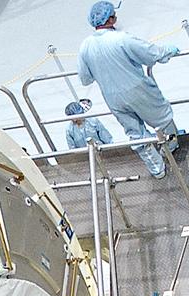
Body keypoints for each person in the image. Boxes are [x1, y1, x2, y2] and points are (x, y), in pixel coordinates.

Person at [77, 2, 182, 178]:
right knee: (162, 119)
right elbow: (150, 54)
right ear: (110, 19)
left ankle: (157, 170)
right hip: (139, 91)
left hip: (113, 98)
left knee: (136, 134)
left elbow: (85, 79)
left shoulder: (85, 46)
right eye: (114, 16)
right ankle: (170, 149)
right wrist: (168, 51)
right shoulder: (122, 39)